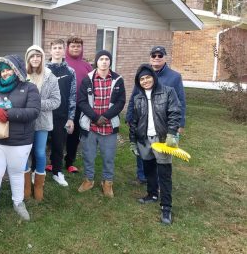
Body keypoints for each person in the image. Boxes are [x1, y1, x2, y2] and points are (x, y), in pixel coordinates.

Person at [0, 55, 40, 223]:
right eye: (2, 71)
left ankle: (18, 202)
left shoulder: (30, 88)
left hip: (20, 141)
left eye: (8, 69)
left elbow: (34, 111)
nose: (5, 73)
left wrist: (9, 114)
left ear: (16, 70)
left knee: (16, 172)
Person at [126, 46, 186, 184]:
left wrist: (180, 124)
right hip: (143, 123)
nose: (157, 58)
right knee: (143, 150)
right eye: (154, 56)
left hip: (163, 125)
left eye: (160, 55)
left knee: (161, 154)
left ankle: (159, 181)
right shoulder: (143, 74)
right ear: (150, 58)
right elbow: (134, 97)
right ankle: (142, 176)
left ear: (165, 57)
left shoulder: (174, 77)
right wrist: (130, 116)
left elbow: (180, 101)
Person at [129, 64, 181, 224]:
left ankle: (166, 207)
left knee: (164, 174)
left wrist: (172, 133)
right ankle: (152, 194)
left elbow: (175, 112)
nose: (145, 81)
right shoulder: (138, 97)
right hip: (144, 139)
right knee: (149, 169)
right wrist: (133, 141)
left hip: (162, 139)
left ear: (154, 77)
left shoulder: (168, 92)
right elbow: (134, 121)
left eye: (148, 77)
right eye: (142, 79)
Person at [77, 50, 126, 197]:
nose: (104, 61)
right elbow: (82, 101)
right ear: (96, 62)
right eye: (101, 59)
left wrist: (106, 116)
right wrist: (94, 117)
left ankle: (107, 182)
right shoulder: (88, 79)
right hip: (90, 125)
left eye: (106, 59)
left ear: (110, 62)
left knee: (108, 156)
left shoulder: (118, 80)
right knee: (88, 155)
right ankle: (88, 180)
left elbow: (121, 102)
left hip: (109, 125)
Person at [24, 45, 60, 201]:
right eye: (32, 56)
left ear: (42, 58)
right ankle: (25, 185)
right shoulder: (22, 75)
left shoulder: (50, 77)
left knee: (39, 152)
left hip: (42, 121)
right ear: (28, 58)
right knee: (24, 154)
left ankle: (38, 185)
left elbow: (56, 101)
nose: (35, 59)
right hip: (24, 122)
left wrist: (37, 104)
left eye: (38, 56)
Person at [45, 39, 76, 187]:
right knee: (40, 145)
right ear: (50, 51)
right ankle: (35, 171)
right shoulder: (43, 69)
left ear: (64, 51)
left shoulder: (70, 72)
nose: (57, 50)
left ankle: (57, 172)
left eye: (60, 48)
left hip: (62, 115)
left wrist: (71, 118)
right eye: (55, 48)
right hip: (44, 113)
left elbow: (72, 95)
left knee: (58, 145)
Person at [64, 36, 93, 173]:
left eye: (78, 46)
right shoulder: (62, 63)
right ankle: (53, 161)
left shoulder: (87, 66)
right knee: (58, 134)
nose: (75, 48)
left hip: (80, 106)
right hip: (62, 105)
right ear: (68, 48)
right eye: (73, 46)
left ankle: (69, 162)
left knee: (74, 135)